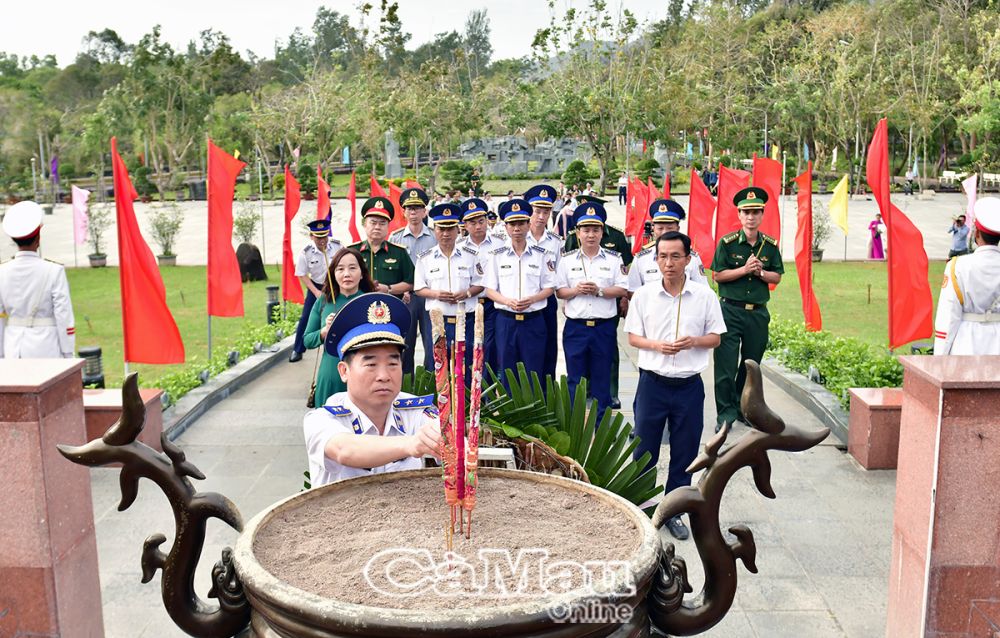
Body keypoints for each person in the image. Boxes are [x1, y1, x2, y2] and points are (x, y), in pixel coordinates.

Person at [625, 231, 725, 540]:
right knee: (644, 448)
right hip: (652, 384)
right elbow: (632, 337)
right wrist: (655, 345)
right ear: (655, 260)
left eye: (675, 256)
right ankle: (642, 507)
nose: (669, 263)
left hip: (688, 387)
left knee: (685, 451)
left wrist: (694, 341)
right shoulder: (644, 296)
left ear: (688, 259)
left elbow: (716, 337)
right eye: (663, 256)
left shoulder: (704, 296)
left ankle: (674, 511)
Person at [302, 293, 442, 487]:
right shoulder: (322, 419)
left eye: (393, 363)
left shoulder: (415, 411)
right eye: (371, 364)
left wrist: (445, 438)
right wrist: (411, 444)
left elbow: (447, 438)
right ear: (344, 371)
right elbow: (345, 450)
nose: (384, 375)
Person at [711, 186, 784, 433]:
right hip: (730, 311)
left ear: (762, 215)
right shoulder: (727, 243)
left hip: (757, 313)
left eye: (755, 212)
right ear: (739, 216)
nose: (751, 217)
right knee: (725, 365)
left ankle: (743, 408)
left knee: (751, 364)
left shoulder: (770, 245)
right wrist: (743, 270)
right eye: (746, 212)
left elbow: (777, 277)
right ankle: (725, 413)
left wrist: (760, 272)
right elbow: (718, 275)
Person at [555, 202, 629, 418]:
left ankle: (601, 425)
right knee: (574, 379)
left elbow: (623, 288)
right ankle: (573, 424)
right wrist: (576, 290)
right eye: (585, 230)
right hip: (576, 328)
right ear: (577, 233)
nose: (590, 235)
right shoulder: (567, 261)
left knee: (601, 378)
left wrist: (599, 291)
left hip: (603, 327)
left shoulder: (614, 260)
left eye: (595, 230)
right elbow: (560, 291)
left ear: (601, 232)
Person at [483, 198, 556, 382]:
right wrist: (507, 301)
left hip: (534, 321)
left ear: (528, 224)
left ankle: (533, 411)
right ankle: (509, 410)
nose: (517, 229)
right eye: (512, 224)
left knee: (534, 371)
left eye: (521, 223)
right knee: (507, 372)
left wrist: (532, 299)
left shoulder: (542, 255)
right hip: (506, 321)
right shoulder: (496, 256)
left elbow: (549, 287)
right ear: (506, 227)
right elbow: (489, 289)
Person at [0, 201, 75, 358]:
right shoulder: (54, 271)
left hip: (13, 346)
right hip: (46, 346)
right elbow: (63, 315)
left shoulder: (2, 272)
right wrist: (68, 352)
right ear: (38, 237)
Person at [415, 202, 484, 368]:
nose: (445, 233)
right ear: (435, 230)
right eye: (441, 229)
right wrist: (436, 294)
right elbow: (418, 288)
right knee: (437, 367)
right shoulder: (425, 258)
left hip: (465, 320)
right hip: (437, 321)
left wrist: (466, 293)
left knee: (466, 367)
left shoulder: (471, 255)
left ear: (458, 230)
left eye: (450, 228)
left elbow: (480, 283)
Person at [348, 196, 416, 368]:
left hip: (390, 314)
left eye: (382, 223)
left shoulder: (398, 253)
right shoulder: (352, 252)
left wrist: (389, 289)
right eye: (373, 222)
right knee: (362, 356)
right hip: (359, 314)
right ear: (364, 224)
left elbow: (411, 282)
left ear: (388, 227)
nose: (377, 226)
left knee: (391, 355)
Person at [303, 248, 375, 404]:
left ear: (362, 273)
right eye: (340, 269)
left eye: (352, 268)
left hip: (364, 375)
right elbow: (307, 340)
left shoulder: (372, 302)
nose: (346, 274)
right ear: (333, 274)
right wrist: (324, 332)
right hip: (330, 375)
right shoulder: (323, 301)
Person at [934, 198, 1000, 355]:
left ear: (976, 233)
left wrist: (940, 357)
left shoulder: (957, 266)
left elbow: (948, 315)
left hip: (967, 345)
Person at [389, 188, 437, 375]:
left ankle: (429, 383)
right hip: (406, 298)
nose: (414, 213)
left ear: (425, 211)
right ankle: (405, 384)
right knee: (404, 343)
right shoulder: (396, 237)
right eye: (409, 209)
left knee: (431, 342)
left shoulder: (434, 236)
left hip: (430, 297)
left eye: (418, 208)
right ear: (404, 212)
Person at [524, 184, 564, 381]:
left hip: (546, 301)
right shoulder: (516, 237)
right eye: (537, 211)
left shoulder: (555, 242)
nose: (541, 216)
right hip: (520, 300)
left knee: (548, 349)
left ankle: (546, 393)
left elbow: (559, 273)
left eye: (546, 211)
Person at [289, 218, 342, 363]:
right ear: (311, 236)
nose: (322, 241)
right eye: (318, 238)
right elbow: (301, 274)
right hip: (317, 286)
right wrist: (316, 292)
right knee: (306, 317)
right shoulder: (305, 252)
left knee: (340, 312)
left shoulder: (337, 246)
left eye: (324, 236)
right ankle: (298, 349)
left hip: (337, 285)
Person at [458, 198, 501, 372]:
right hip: (469, 304)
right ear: (465, 225)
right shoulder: (458, 246)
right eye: (472, 222)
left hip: (491, 304)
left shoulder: (500, 243)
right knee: (469, 346)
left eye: (481, 221)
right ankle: (470, 392)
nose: (478, 226)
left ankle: (489, 391)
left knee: (490, 348)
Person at [628, 199, 708, 292]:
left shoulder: (691, 258)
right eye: (660, 228)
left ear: (678, 228)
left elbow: (702, 289)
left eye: (669, 228)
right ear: (653, 229)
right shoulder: (641, 259)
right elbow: (632, 291)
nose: (664, 232)